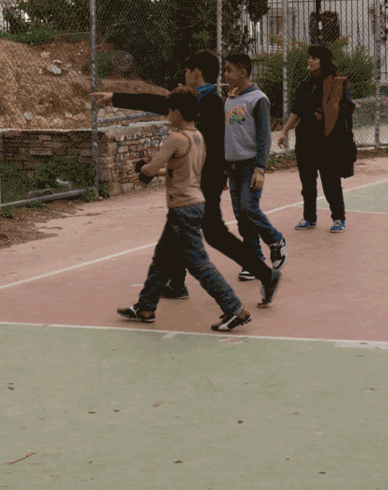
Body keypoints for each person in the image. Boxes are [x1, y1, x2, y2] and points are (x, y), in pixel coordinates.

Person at [92, 50, 282, 299]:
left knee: (209, 235)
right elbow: (160, 102)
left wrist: (173, 172)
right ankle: (175, 286)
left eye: (186, 71)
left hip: (202, 183)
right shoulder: (198, 100)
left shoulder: (211, 104)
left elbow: (211, 150)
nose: (184, 75)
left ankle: (260, 277)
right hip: (198, 181)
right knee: (184, 233)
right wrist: (115, 98)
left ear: (196, 73)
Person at [116, 86, 254, 331]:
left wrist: (142, 169)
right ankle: (145, 307)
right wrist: (155, 172)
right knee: (161, 259)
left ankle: (235, 309)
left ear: (177, 112)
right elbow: (180, 170)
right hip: (193, 204)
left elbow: (153, 167)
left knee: (198, 264)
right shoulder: (198, 137)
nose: (168, 115)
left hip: (183, 208)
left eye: (170, 111)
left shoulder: (176, 138)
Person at [223, 53, 287, 306]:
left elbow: (264, 137)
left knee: (249, 207)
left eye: (229, 70)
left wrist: (260, 168)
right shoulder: (229, 99)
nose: (225, 75)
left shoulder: (258, 99)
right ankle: (254, 260)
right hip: (233, 167)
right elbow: (227, 135)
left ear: (242, 72)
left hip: (251, 166)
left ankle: (276, 240)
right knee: (241, 215)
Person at [277, 44, 357, 233]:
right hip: (305, 138)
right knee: (307, 182)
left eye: (314, 58)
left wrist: (329, 114)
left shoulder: (335, 83)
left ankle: (338, 218)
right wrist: (284, 131)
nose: (310, 61)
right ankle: (309, 218)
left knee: (330, 181)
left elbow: (348, 108)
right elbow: (297, 110)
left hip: (328, 140)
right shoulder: (305, 84)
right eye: (309, 57)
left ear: (324, 61)